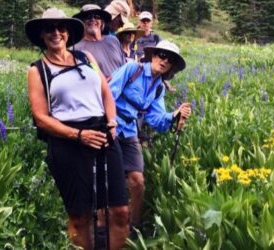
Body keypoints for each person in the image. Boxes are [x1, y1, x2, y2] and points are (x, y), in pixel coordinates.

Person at [25, 8, 129, 249]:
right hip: (68, 140)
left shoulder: (86, 58)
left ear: (68, 33)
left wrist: (112, 122)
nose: (56, 33)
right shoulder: (38, 70)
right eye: (49, 28)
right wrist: (78, 135)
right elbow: (40, 117)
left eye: (61, 28)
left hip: (102, 133)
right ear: (42, 35)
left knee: (119, 210)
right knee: (80, 216)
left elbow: (106, 93)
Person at [108, 40, 191, 235]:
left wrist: (175, 115)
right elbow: (108, 94)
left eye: (169, 60)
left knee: (138, 182)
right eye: (162, 55)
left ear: (171, 67)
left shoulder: (158, 88)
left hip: (129, 131)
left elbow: (157, 120)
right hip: (110, 127)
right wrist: (108, 123)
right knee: (111, 180)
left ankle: (133, 227)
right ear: (153, 56)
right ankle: (107, 227)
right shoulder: (132, 69)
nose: (164, 61)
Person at [73, 4, 126, 81]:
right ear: (82, 22)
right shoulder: (76, 48)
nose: (93, 19)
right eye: (88, 16)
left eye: (97, 16)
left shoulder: (113, 40)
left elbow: (124, 66)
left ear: (102, 22)